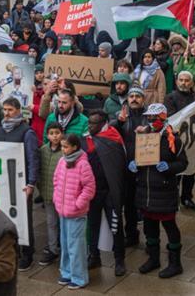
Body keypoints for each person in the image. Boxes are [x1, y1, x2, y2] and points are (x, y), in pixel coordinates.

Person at [133, 103, 188, 278]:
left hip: (164, 191)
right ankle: (154, 259)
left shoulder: (173, 139)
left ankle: (175, 263)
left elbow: (183, 163)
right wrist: (135, 164)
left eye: (154, 118)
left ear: (162, 118)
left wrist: (169, 167)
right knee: (149, 227)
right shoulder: (143, 136)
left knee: (169, 226)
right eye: (148, 117)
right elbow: (138, 156)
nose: (150, 121)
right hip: (146, 190)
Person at [0, 97, 39, 271]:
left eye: (10, 110)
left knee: (24, 219)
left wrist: (31, 184)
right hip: (4, 182)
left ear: (18, 111)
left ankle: (27, 253)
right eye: (4, 110)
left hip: (20, 184)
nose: (6, 113)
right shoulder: (0, 130)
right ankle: (11, 252)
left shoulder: (27, 132)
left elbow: (33, 159)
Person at [84, 110, 127, 276]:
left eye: (93, 123)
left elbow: (120, 168)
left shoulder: (113, 138)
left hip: (110, 191)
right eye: (88, 123)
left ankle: (119, 259)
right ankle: (94, 256)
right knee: (92, 225)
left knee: (115, 226)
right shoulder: (86, 139)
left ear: (103, 124)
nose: (89, 126)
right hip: (93, 191)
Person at [52, 133, 96, 290]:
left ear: (75, 147)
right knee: (65, 243)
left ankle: (79, 277)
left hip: (76, 213)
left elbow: (90, 188)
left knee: (76, 245)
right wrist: (57, 198)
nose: (63, 149)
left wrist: (78, 203)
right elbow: (56, 180)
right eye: (62, 146)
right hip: (63, 211)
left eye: (65, 146)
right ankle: (67, 272)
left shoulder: (83, 165)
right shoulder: (62, 161)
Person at [112, 85, 147, 247]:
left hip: (145, 168)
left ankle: (150, 238)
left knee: (146, 205)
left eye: (137, 96)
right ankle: (131, 233)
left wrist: (148, 130)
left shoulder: (149, 117)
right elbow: (110, 130)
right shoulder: (121, 116)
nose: (134, 99)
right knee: (128, 204)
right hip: (125, 168)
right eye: (131, 96)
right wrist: (119, 122)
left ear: (143, 100)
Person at [164, 71, 195, 211]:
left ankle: (187, 197)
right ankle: (173, 198)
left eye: (186, 80)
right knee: (176, 172)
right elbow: (172, 116)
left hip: (193, 140)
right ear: (177, 81)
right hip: (176, 140)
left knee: (190, 172)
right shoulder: (170, 98)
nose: (184, 83)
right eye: (181, 80)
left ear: (191, 83)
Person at [37, 122, 63, 266]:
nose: (55, 136)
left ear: (62, 134)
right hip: (47, 194)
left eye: (57, 133)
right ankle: (53, 249)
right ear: (47, 135)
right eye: (52, 133)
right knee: (51, 223)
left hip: (61, 195)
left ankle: (64, 249)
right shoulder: (43, 150)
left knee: (63, 223)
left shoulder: (64, 152)